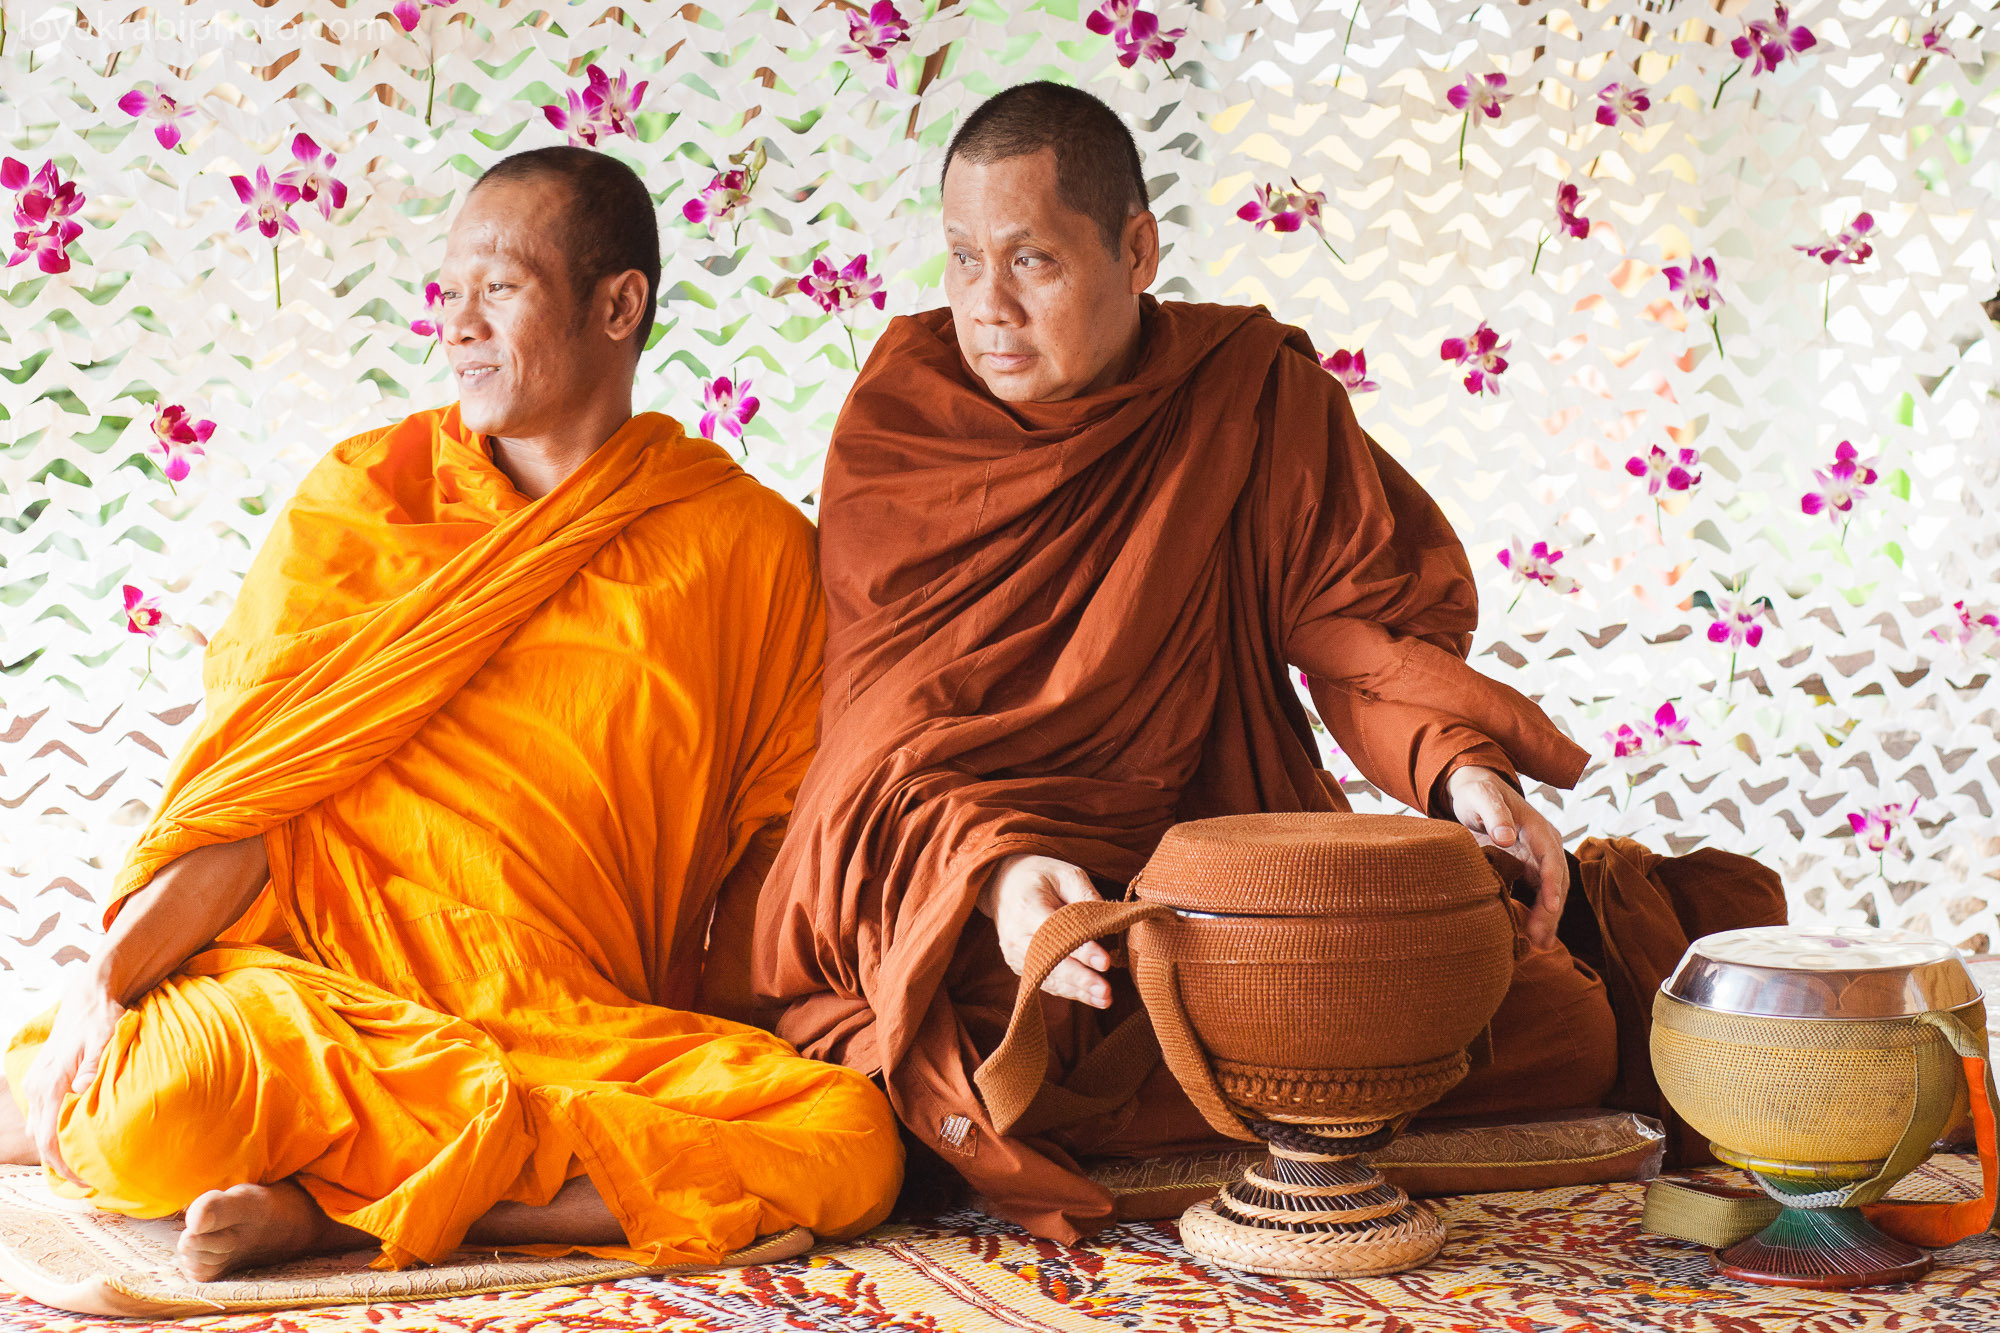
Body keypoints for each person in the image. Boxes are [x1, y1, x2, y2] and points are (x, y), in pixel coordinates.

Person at [753, 82, 1785, 1242]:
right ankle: (1290, 1081)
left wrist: (1458, 769)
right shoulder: (904, 422)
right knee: (1004, 1037)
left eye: (1030, 260)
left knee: (1562, 1022)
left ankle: (1271, 1068)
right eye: (960, 258)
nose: (985, 307)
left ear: (1135, 251)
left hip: (1225, 893)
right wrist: (994, 874)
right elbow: (882, 745)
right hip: (989, 887)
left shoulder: (1244, 395)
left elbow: (1360, 638)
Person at [1, 146, 902, 1282]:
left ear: (618, 305)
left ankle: (346, 1214)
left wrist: (742, 1046)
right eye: (449, 292)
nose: (457, 325)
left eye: (500, 287)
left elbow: (769, 855)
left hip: (568, 1028)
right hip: (325, 1002)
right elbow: (250, 803)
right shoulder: (365, 498)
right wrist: (106, 981)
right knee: (154, 1106)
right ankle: (459, 1184)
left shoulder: (747, 548)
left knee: (849, 1142)